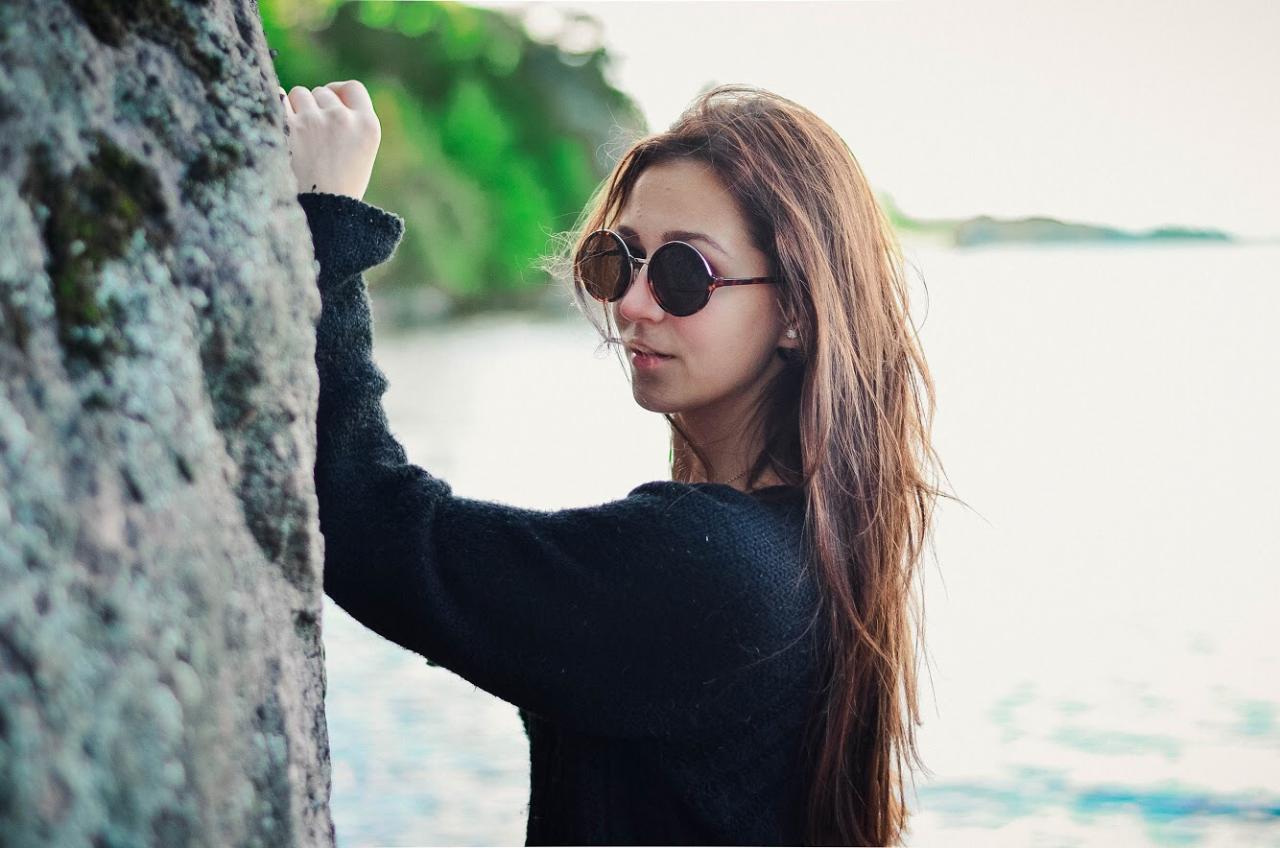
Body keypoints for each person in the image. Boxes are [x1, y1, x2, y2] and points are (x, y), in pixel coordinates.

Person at [280, 78, 945, 846]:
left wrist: (329, 218)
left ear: (796, 308)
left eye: (684, 273)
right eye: (617, 260)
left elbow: (369, 524)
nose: (631, 304)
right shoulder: (808, 544)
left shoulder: (715, 568)